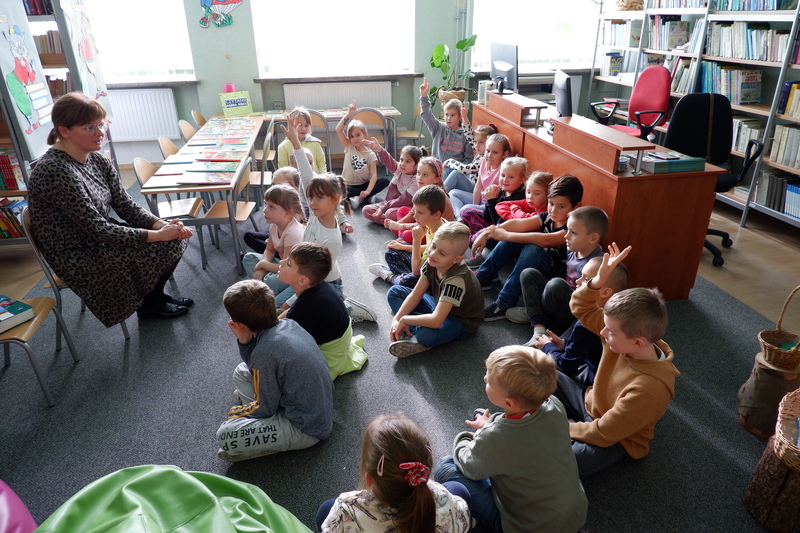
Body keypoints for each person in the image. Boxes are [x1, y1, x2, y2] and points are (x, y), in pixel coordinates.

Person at [28, 91, 193, 324]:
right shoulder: (55, 170)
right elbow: (97, 229)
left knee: (173, 238)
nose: (100, 133)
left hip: (98, 238)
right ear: (64, 131)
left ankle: (153, 298)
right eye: (89, 127)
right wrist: (158, 235)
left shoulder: (96, 159)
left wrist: (162, 225)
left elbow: (125, 204)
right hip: (77, 253)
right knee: (164, 244)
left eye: (100, 125)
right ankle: (150, 304)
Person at [555, 244, 680, 477]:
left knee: (559, 464)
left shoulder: (650, 389)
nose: (603, 333)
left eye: (610, 332)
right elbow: (581, 308)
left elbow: (603, 431)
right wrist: (597, 281)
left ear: (638, 343)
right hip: (591, 403)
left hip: (616, 438)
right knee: (538, 368)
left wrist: (559, 427)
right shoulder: (623, 336)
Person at [433, 346, 587, 533]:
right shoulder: (554, 405)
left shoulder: (495, 438)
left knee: (446, 467)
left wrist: (473, 436)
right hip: (575, 515)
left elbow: (468, 464)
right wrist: (491, 424)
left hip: (529, 528)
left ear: (509, 403)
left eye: (489, 381)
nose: (485, 379)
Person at [216, 280, 333, 462]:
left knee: (224, 435)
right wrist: (245, 341)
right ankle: (260, 432)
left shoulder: (265, 352)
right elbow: (255, 366)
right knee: (241, 371)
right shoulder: (289, 323)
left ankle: (265, 444)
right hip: (315, 411)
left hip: (306, 429)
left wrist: (235, 413)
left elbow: (265, 409)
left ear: (239, 324)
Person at [282, 114, 376, 322]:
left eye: (319, 198)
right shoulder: (318, 214)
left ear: (335, 199)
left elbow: (314, 278)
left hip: (324, 283)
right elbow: (305, 172)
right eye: (311, 197)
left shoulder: (332, 240)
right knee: (284, 306)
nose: (312, 203)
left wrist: (291, 302)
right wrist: (295, 141)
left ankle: (347, 308)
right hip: (308, 273)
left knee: (297, 315)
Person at [317, 413, 472, 533]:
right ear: (424, 470)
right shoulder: (444, 499)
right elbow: (463, 522)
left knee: (326, 508)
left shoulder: (347, 510)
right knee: (457, 488)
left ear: (369, 479)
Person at [473, 174, 583, 321]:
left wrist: (505, 235)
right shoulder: (548, 216)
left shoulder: (572, 228)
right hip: (533, 269)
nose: (553, 210)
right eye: (551, 203)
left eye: (561, 206)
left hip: (551, 282)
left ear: (576, 207)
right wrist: (488, 232)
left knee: (531, 248)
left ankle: (504, 303)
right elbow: (518, 224)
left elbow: (544, 241)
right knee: (514, 238)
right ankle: (483, 277)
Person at [507, 205, 608, 341]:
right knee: (528, 273)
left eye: (573, 232)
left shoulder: (596, 264)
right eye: (567, 230)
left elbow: (592, 304)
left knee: (556, 284)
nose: (566, 236)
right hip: (557, 300)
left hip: (572, 313)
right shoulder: (574, 248)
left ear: (593, 238)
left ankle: (536, 312)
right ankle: (538, 327)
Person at [527, 256, 629, 388]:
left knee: (538, 369)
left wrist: (547, 347)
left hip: (597, 384)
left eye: (586, 279)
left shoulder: (587, 324)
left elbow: (566, 365)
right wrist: (564, 344)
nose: (578, 281)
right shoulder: (620, 314)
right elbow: (591, 348)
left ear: (605, 292)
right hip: (612, 375)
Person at [387, 222, 483, 358]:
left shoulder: (456, 280)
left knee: (425, 336)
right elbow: (416, 294)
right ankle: (413, 327)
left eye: (442, 253)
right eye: (433, 245)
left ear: (456, 259)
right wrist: (397, 320)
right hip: (439, 305)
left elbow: (437, 320)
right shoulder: (432, 261)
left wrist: (405, 318)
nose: (432, 253)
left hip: (461, 320)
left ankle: (415, 331)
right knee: (394, 292)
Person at [277, 242, 368, 379]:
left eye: (288, 264)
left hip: (331, 353)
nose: (281, 262)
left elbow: (287, 341)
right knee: (278, 318)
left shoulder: (305, 309)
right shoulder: (316, 286)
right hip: (339, 333)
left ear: (302, 280)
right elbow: (289, 313)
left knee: (291, 375)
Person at [368, 185, 448, 288]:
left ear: (436, 214)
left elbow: (416, 271)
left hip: (432, 278)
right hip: (424, 265)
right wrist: (402, 247)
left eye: (420, 213)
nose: (415, 216)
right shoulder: (434, 223)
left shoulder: (439, 237)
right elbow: (428, 248)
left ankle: (390, 277)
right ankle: (403, 278)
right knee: (391, 252)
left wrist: (417, 240)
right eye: (415, 211)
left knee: (410, 280)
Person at [241, 184, 305, 307]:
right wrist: (264, 267)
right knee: (248, 258)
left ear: (288, 212)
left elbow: (287, 267)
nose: (264, 210)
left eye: (271, 207)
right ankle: (268, 288)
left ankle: (267, 288)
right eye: (266, 204)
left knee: (271, 282)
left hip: (295, 273)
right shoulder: (274, 225)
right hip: (281, 265)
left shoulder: (293, 233)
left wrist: (263, 265)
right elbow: (269, 250)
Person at [459, 155, 528, 245]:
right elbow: (486, 217)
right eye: (502, 175)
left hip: (502, 231)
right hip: (491, 223)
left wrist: (491, 201)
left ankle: (473, 238)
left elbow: (499, 224)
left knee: (484, 235)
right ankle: (476, 234)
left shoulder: (519, 198)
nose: (505, 180)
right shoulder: (502, 190)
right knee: (466, 211)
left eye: (511, 177)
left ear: (522, 179)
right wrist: (489, 199)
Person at [384, 156, 454, 244]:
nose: (419, 178)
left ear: (436, 179)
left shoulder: (432, 196)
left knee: (406, 234)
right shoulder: (423, 189)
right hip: (425, 222)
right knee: (402, 210)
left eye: (425, 175)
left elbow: (427, 225)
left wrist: (400, 226)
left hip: (437, 234)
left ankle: (402, 239)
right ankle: (402, 238)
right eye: (418, 173)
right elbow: (413, 213)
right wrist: (398, 224)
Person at [336, 100, 389, 210]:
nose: (355, 139)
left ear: (365, 134)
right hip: (349, 185)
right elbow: (338, 130)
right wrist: (349, 114)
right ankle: (363, 196)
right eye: (351, 136)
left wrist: (368, 190)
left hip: (365, 184)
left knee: (385, 181)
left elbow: (374, 175)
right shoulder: (349, 146)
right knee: (336, 185)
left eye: (358, 135)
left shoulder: (370, 154)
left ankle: (362, 196)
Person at [361, 141, 424, 225]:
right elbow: (389, 161)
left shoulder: (417, 180)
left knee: (389, 214)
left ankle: (396, 223)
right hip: (389, 204)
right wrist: (380, 150)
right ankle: (393, 224)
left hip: (405, 207)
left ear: (416, 165)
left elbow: (402, 201)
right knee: (366, 210)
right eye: (401, 160)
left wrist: (383, 208)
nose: (402, 164)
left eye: (408, 161)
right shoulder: (400, 169)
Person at [449, 133, 511, 217]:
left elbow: (498, 201)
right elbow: (478, 187)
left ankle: (462, 217)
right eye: (488, 151)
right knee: (453, 193)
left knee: (466, 209)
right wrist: (474, 207)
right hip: (480, 201)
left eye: (495, 152)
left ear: (504, 154)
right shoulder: (485, 162)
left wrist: (472, 209)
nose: (489, 155)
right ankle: (459, 218)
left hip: (488, 206)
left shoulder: (503, 170)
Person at [419, 77, 472, 174]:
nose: (448, 118)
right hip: (436, 169)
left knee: (448, 171)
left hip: (454, 172)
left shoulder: (466, 134)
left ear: (460, 116)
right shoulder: (439, 128)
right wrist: (424, 96)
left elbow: (468, 159)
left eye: (453, 115)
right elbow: (426, 114)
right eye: (446, 114)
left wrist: (457, 169)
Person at [442, 106, 496, 194]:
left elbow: (465, 169)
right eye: (475, 142)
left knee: (456, 173)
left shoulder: (485, 159)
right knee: (448, 169)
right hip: (469, 181)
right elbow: (469, 134)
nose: (476, 145)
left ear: (489, 143)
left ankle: (439, 196)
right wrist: (464, 117)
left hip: (474, 190)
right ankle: (438, 192)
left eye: (481, 142)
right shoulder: (480, 150)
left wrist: (450, 161)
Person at [276, 106, 327, 174]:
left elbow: (322, 165)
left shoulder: (315, 143)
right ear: (291, 125)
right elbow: (283, 171)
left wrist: (322, 178)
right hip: (294, 179)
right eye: (300, 125)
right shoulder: (283, 147)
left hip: (315, 179)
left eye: (306, 125)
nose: (303, 129)